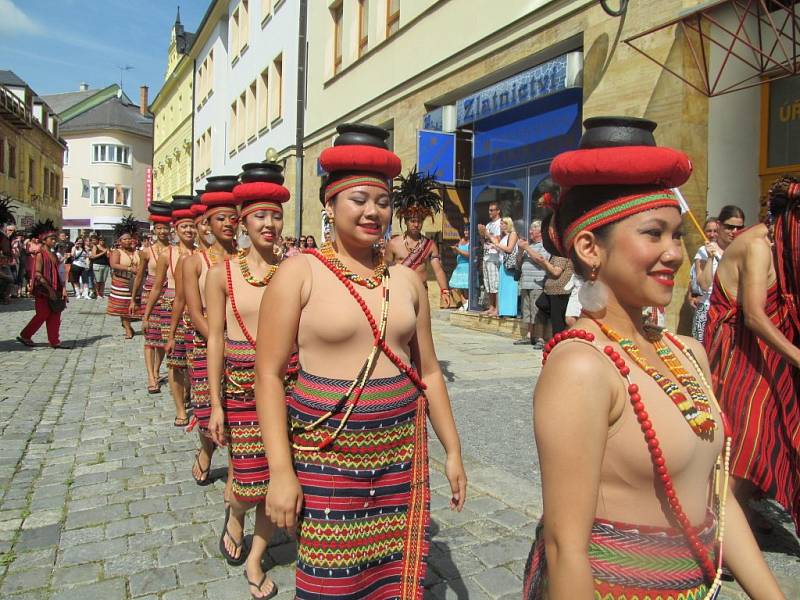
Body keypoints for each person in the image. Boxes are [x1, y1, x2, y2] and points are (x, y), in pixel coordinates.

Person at [522, 116, 783, 600]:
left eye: (677, 235)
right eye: (653, 234)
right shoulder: (582, 366)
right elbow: (565, 550)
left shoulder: (689, 353)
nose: (674, 253)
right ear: (588, 247)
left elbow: (717, 500)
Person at [256, 123, 467, 598]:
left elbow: (428, 371)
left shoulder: (407, 282)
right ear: (329, 205)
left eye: (383, 201)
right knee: (332, 582)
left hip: (397, 456)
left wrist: (452, 449)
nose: (373, 211)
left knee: (390, 581)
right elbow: (267, 376)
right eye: (358, 199)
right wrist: (282, 472)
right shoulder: (298, 273)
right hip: (326, 455)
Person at [206, 162, 290, 598]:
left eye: (276, 215)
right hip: (240, 389)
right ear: (242, 222)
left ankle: (256, 558)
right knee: (249, 481)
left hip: (289, 388)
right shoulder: (222, 274)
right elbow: (216, 338)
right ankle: (234, 513)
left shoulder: (294, 270)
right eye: (261, 215)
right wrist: (215, 403)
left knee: (279, 478)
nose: (270, 224)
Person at [703, 176, 800, 536]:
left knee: (768, 438)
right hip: (738, 355)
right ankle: (718, 535)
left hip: (765, 357)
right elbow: (755, 317)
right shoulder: (758, 245)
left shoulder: (783, 245)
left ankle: (739, 514)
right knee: (743, 440)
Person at [182, 180, 239, 488]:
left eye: (233, 218)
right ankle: (205, 451)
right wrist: (222, 344)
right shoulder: (194, 262)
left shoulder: (245, 258)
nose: (228, 224)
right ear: (207, 223)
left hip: (243, 341)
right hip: (205, 341)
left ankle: (238, 469)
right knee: (208, 406)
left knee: (237, 407)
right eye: (221, 218)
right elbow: (193, 310)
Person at [143, 198, 196, 426]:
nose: (189, 230)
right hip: (169, 308)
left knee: (194, 361)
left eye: (192, 226)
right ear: (176, 229)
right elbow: (157, 286)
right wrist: (146, 314)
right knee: (175, 361)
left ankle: (188, 394)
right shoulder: (168, 255)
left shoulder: (201, 253)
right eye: (184, 226)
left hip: (193, 310)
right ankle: (180, 409)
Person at [384, 167, 452, 307]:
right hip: (399, 292)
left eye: (419, 221)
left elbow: (438, 270)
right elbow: (384, 270)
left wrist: (445, 291)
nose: (416, 224)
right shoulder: (394, 244)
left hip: (421, 292)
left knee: (421, 329)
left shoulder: (429, 245)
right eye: (412, 221)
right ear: (406, 221)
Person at [132, 202, 173, 393]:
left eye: (166, 227)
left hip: (169, 296)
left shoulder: (174, 250)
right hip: (150, 295)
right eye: (159, 228)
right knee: (150, 338)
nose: (163, 231)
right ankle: (150, 376)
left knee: (164, 339)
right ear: (154, 230)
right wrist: (134, 298)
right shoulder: (146, 252)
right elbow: (139, 276)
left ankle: (157, 370)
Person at [693, 208, 743, 341]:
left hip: (733, 313)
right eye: (730, 227)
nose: (734, 232)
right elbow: (703, 285)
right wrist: (710, 258)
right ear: (720, 226)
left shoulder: (743, 251)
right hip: (708, 310)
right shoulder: (704, 251)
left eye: (739, 228)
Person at [17, 220, 69, 349]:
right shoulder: (40, 254)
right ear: (44, 240)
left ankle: (54, 341)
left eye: (55, 238)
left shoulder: (54, 255)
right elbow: (38, 274)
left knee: (56, 313)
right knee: (43, 314)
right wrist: (49, 289)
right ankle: (25, 335)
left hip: (56, 288)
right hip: (43, 290)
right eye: (52, 238)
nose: (54, 240)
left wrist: (63, 289)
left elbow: (59, 273)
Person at [516, 220, 550, 347]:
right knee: (527, 311)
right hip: (525, 283)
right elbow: (518, 264)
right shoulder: (529, 246)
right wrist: (520, 251)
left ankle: (540, 338)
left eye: (532, 229)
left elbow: (541, 259)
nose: (530, 232)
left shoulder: (544, 245)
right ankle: (529, 336)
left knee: (537, 312)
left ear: (540, 232)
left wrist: (526, 247)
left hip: (537, 283)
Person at [106, 217, 141, 339]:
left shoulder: (137, 252)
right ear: (120, 241)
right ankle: (127, 328)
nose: (127, 241)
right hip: (121, 282)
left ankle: (128, 324)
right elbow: (114, 264)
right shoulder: (117, 252)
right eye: (124, 239)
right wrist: (129, 269)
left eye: (129, 238)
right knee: (123, 306)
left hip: (136, 281)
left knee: (134, 304)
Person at [480, 201, 503, 315]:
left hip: (495, 256)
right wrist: (482, 234)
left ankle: (497, 308)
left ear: (498, 211)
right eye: (489, 210)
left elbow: (498, 240)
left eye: (492, 210)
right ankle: (491, 307)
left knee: (495, 283)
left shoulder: (500, 223)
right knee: (488, 284)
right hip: (487, 255)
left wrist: (487, 234)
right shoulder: (489, 225)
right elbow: (484, 241)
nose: (489, 212)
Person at [493, 216, 519, 317]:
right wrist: (495, 246)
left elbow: (509, 249)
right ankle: (503, 311)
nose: (501, 225)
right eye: (501, 223)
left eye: (503, 223)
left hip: (510, 267)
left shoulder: (513, 234)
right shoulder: (504, 237)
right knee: (503, 289)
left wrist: (497, 244)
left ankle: (510, 312)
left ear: (508, 224)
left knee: (510, 289)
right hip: (503, 265)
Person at [448, 226, 470, 310]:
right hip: (459, 266)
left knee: (466, 287)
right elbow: (457, 253)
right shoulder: (461, 240)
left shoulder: (471, 241)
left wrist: (458, 250)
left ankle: (467, 303)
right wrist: (455, 249)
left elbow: (468, 255)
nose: (466, 232)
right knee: (455, 285)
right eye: (465, 230)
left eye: (467, 230)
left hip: (467, 266)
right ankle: (464, 301)